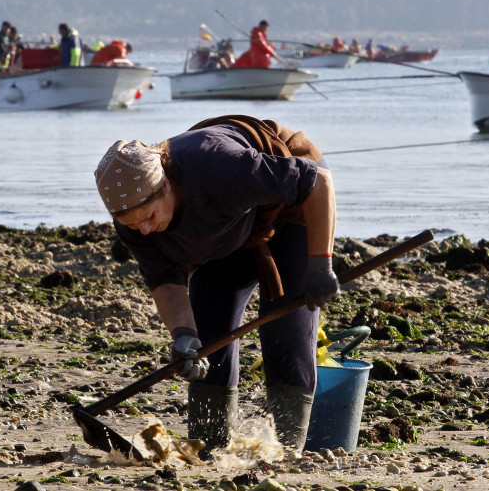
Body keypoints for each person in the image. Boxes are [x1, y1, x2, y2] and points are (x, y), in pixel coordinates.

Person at [94, 115, 341, 456]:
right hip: (226, 230)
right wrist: (183, 335)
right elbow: (165, 280)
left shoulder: (221, 167)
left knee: (286, 329)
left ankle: (287, 451)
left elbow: (318, 183)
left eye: (149, 217)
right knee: (208, 337)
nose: (145, 231)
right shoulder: (134, 222)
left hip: (290, 210)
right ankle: (209, 448)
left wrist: (321, 264)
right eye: (132, 225)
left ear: (165, 185)